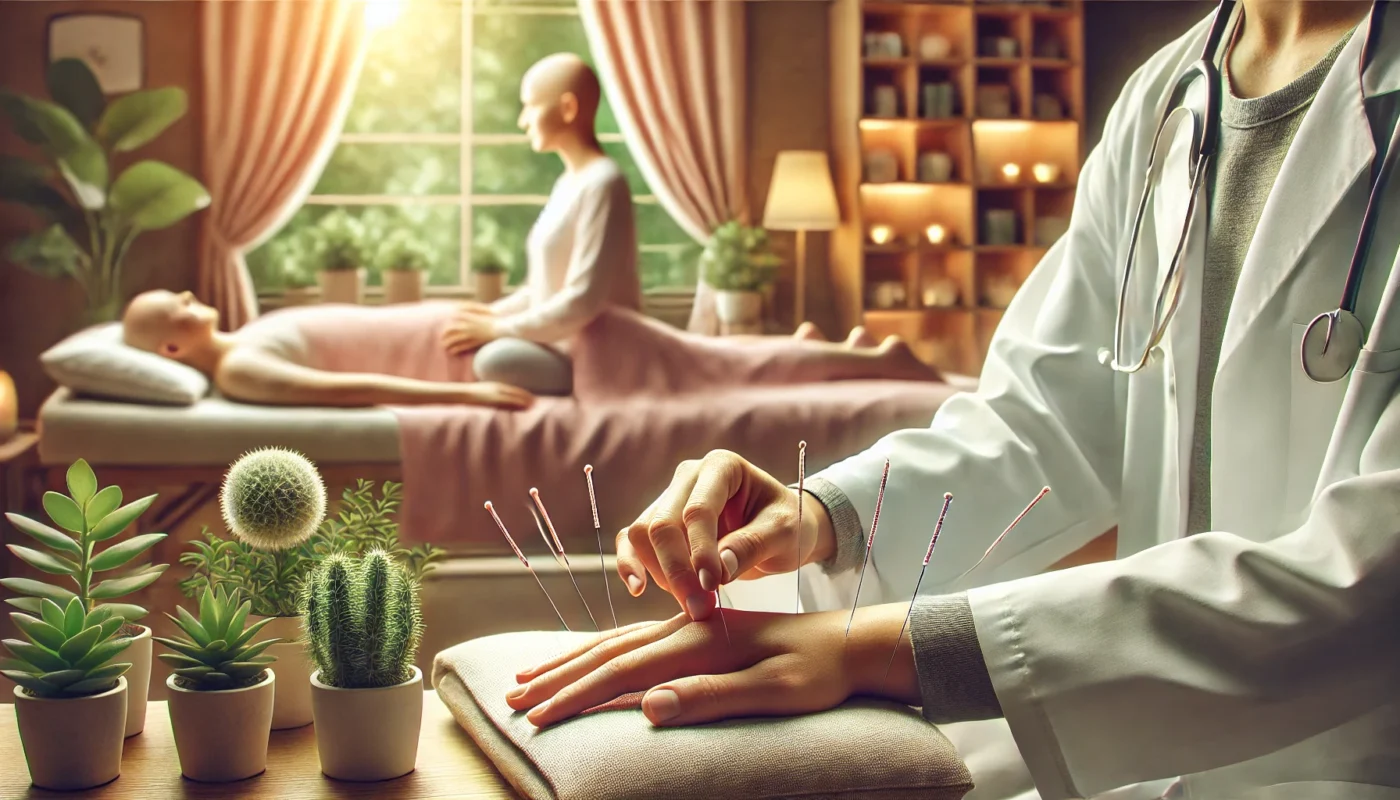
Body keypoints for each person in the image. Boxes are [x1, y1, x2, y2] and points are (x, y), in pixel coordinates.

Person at [504, 1, 1400, 798]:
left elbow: (1373, 575)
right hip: (1164, 760)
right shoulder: (1165, 100)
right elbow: (1045, 423)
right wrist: (824, 517)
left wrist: (880, 650)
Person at [440, 52, 639, 396]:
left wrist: (498, 328)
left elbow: (582, 300)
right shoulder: (568, 183)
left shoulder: (605, 183)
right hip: (553, 343)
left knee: (493, 359)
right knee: (462, 333)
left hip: (593, 354)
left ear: (567, 109)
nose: (522, 120)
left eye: (530, 106)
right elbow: (543, 289)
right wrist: (489, 314)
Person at [121, 289, 534, 409]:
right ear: (172, 348)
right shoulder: (238, 369)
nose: (187, 294)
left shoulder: (244, 338)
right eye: (177, 306)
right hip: (442, 354)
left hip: (441, 330)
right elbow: (350, 388)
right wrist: (465, 395)